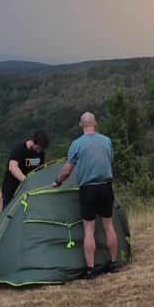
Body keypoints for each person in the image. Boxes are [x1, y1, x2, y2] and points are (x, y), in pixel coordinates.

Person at [52, 112, 118, 279]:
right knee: (108, 227)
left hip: (88, 189)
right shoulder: (106, 141)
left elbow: (67, 170)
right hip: (106, 187)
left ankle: (90, 270)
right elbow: (109, 161)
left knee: (89, 230)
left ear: (80, 125)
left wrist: (58, 182)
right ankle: (113, 263)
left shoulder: (76, 144)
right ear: (95, 123)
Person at [0, 131, 48, 209]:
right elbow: (12, 167)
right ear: (33, 141)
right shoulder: (19, 149)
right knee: (8, 213)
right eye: (37, 148)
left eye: (41, 149)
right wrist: (26, 180)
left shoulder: (40, 153)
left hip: (29, 190)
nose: (38, 151)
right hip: (12, 189)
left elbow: (40, 168)